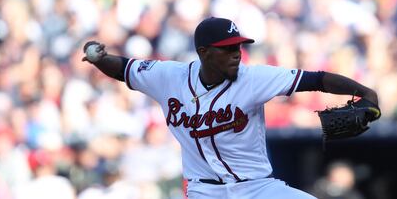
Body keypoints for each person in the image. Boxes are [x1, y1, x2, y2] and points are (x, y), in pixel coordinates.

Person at [82, 17, 380, 199]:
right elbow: (124, 68)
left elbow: (316, 79)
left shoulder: (254, 78)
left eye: (238, 46)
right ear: (204, 53)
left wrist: (364, 91)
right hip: (204, 191)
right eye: (227, 48)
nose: (236, 53)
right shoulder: (168, 77)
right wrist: (99, 59)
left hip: (258, 189)